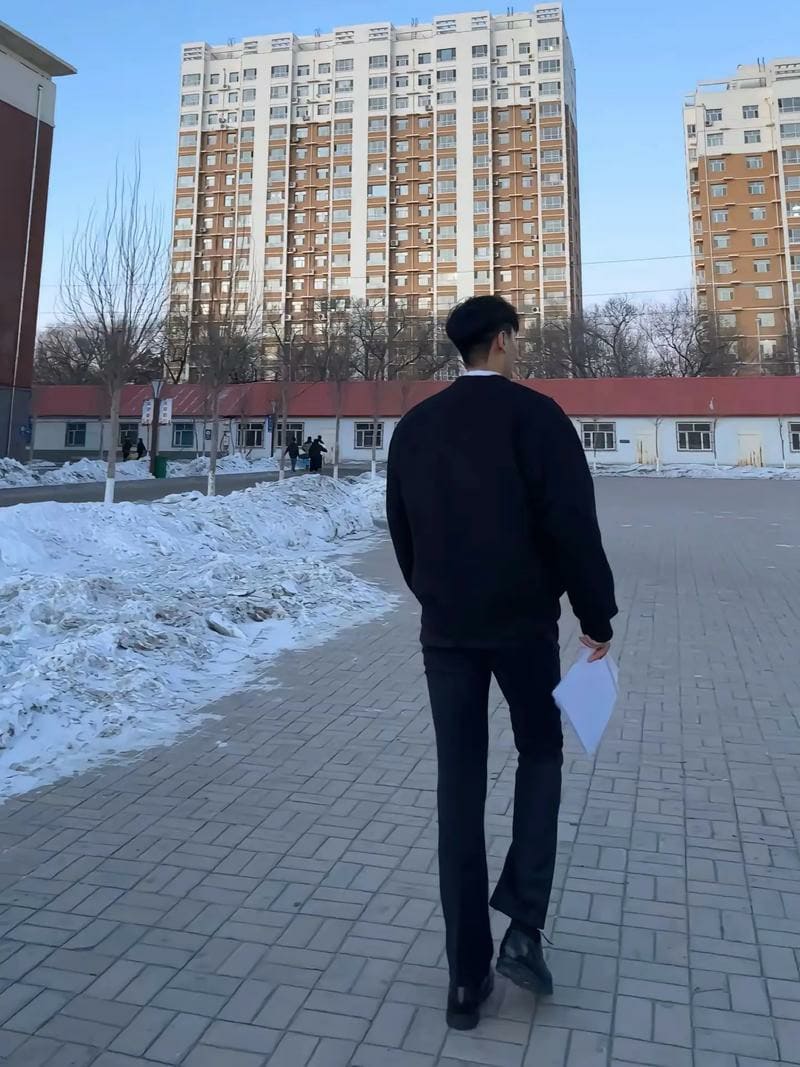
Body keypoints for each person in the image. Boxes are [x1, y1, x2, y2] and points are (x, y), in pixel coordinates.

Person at [386, 295, 617, 1031]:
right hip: (523, 628)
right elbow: (572, 522)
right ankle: (523, 923)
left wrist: (436, 595)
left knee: (458, 786)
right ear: (503, 343)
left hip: (447, 632)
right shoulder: (538, 417)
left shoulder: (416, 426)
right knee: (540, 754)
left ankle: (465, 978)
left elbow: (401, 528)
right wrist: (596, 616)